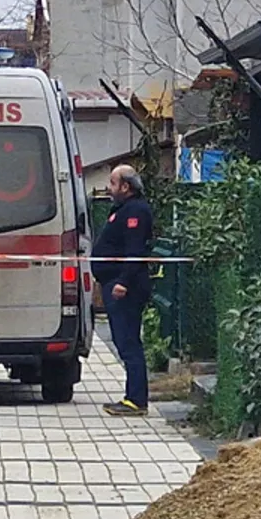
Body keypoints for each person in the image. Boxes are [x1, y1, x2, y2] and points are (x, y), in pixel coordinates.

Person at [91, 165, 155, 417]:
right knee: (123, 340)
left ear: (125, 187)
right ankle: (132, 396)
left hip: (125, 287)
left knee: (128, 341)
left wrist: (123, 282)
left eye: (113, 182)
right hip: (115, 282)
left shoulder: (136, 211)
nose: (109, 187)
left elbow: (135, 251)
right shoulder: (122, 209)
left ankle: (136, 399)